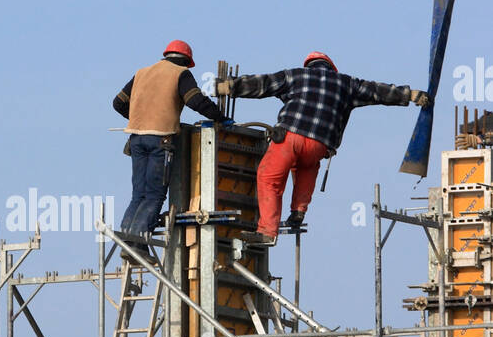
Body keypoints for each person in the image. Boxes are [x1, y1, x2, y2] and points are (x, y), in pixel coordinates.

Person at [217, 53, 431, 245]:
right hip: (319, 145)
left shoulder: (296, 76)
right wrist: (409, 95)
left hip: (290, 136)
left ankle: (267, 231)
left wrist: (232, 86)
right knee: (306, 167)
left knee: (269, 177)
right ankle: (298, 211)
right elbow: (377, 92)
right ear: (331, 68)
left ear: (309, 66)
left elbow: (263, 84)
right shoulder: (346, 84)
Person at [113, 40, 227, 243]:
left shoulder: (142, 72)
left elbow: (118, 102)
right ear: (186, 61)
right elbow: (195, 100)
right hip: (161, 141)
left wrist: (142, 119)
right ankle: (138, 243)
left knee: (138, 194)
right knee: (154, 195)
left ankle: (126, 242)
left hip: (136, 139)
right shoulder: (180, 73)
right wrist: (220, 117)